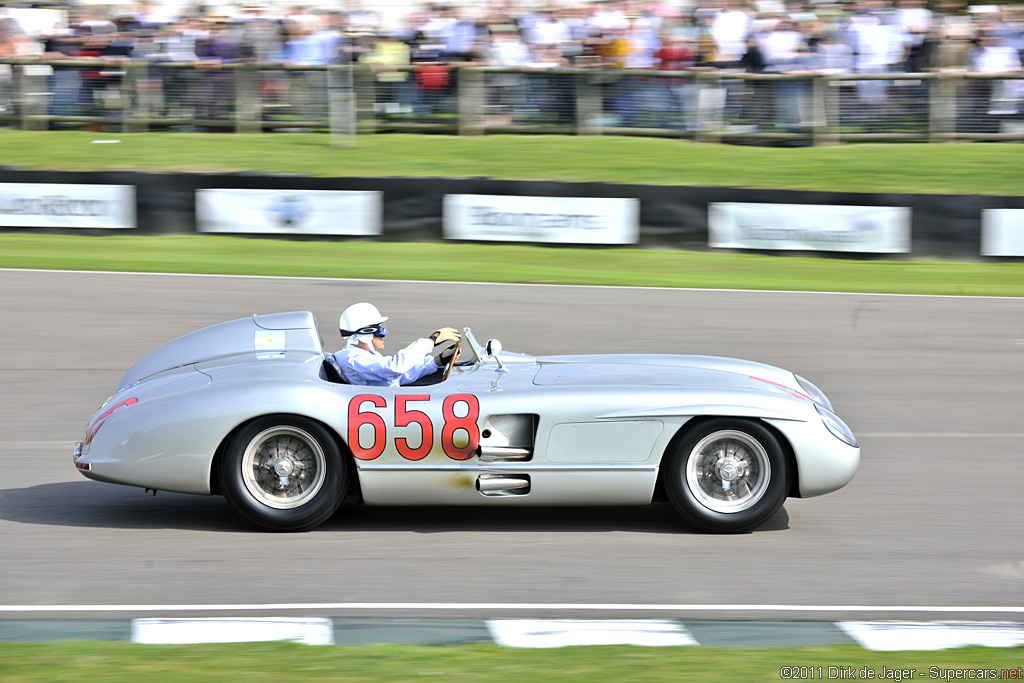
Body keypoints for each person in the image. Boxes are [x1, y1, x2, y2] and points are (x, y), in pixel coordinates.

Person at [333, 302, 460, 387]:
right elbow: (394, 368)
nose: (384, 334)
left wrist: (437, 361)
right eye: (380, 329)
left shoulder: (363, 355)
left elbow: (398, 376)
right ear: (365, 333)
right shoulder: (353, 359)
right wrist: (431, 341)